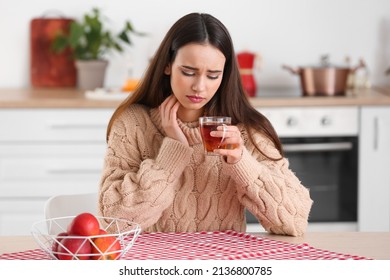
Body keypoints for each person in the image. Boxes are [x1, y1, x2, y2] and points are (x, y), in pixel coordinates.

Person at [98, 12, 312, 237]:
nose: (199, 87)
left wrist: (241, 162)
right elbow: (114, 224)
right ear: (167, 65)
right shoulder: (133, 123)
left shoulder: (245, 129)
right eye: (188, 72)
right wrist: (171, 152)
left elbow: (295, 221)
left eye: (213, 75)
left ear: (225, 75)